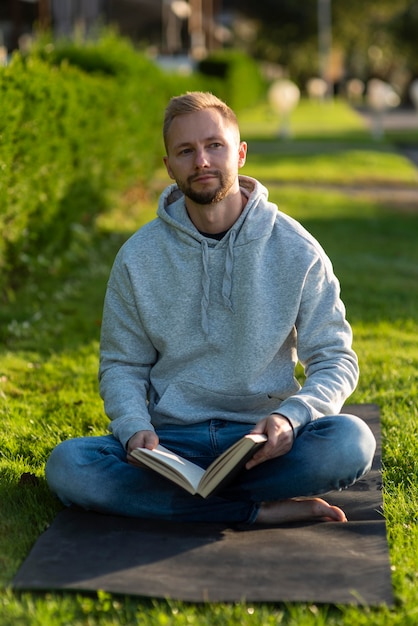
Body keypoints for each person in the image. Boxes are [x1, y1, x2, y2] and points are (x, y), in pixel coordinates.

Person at [46, 91, 376, 525]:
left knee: (351, 442)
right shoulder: (137, 257)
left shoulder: (297, 250)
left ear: (239, 154)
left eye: (214, 145)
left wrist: (290, 419)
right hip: (170, 443)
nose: (201, 160)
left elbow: (335, 359)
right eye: (186, 151)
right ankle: (256, 511)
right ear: (169, 166)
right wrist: (132, 428)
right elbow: (121, 363)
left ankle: (186, 506)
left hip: (262, 442)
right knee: (69, 465)